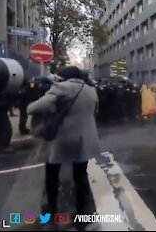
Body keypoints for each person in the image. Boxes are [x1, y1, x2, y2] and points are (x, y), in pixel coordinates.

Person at [27, 66, 100, 216]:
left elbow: (35, 107)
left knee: (52, 172)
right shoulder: (91, 90)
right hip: (84, 139)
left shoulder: (61, 87)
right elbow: (95, 112)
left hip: (62, 139)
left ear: (63, 77)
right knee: (80, 176)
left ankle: (52, 209)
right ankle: (81, 212)